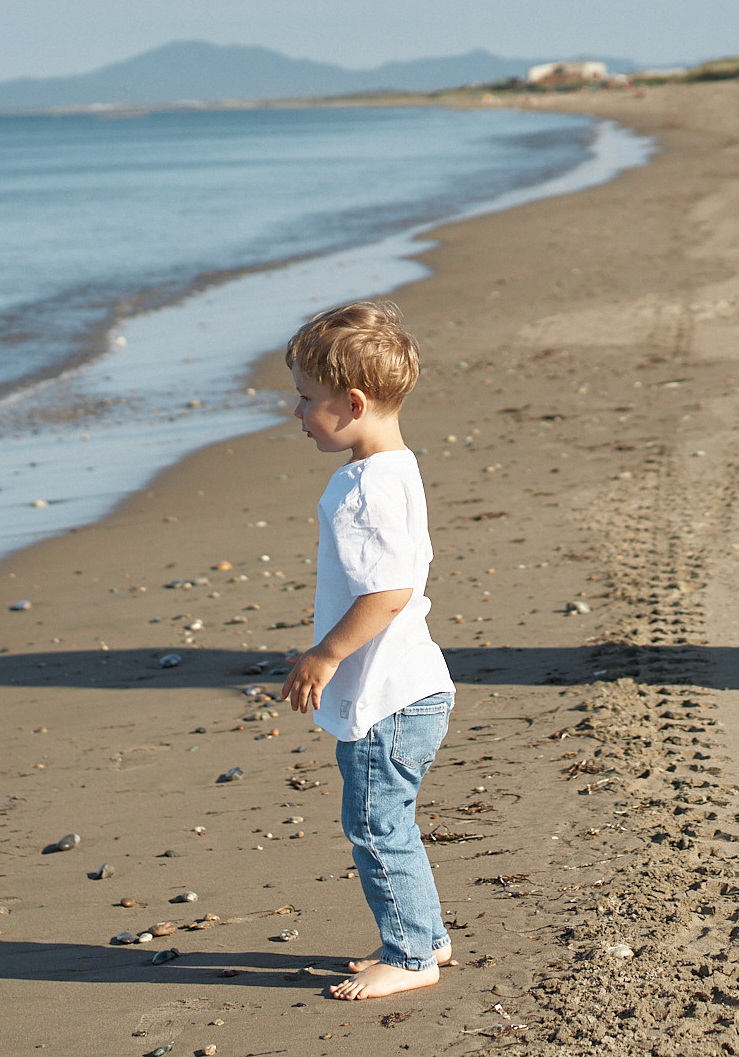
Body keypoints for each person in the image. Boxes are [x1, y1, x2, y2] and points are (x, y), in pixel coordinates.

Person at [280, 300, 457, 1000]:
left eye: (306, 399)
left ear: (352, 404)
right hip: (412, 686)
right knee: (391, 821)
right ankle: (426, 935)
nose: (297, 412)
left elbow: (387, 592)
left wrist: (325, 654)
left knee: (376, 827)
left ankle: (411, 955)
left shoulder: (361, 489)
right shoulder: (397, 467)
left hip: (388, 698)